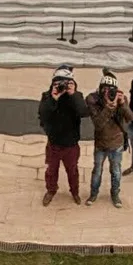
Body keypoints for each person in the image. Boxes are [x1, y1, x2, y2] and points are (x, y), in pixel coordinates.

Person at [37, 65, 87, 206]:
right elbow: (43, 115)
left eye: (65, 82)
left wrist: (73, 94)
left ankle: (75, 192)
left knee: (72, 171)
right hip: (54, 143)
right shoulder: (47, 96)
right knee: (51, 170)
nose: (62, 86)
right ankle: (51, 190)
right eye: (58, 83)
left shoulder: (76, 96)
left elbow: (84, 112)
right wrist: (53, 98)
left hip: (71, 144)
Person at [85, 69, 133, 207]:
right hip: (100, 144)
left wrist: (122, 104)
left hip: (116, 143)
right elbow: (98, 124)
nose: (108, 93)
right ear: (100, 89)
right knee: (97, 171)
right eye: (105, 89)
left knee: (116, 171)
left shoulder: (120, 99)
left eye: (111, 89)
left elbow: (130, 118)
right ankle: (93, 194)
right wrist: (108, 107)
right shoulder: (92, 99)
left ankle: (115, 195)